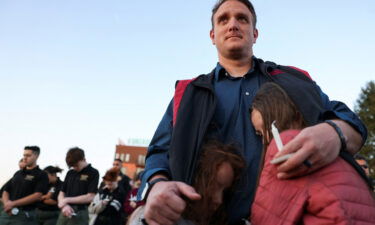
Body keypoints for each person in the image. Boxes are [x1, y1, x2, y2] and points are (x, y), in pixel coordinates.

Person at [139, 0, 367, 224]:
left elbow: (348, 120)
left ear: (255, 34)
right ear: (212, 36)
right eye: (223, 19)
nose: (233, 25)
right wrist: (157, 184)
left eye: (242, 18)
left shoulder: (294, 79)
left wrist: (334, 133)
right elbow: (159, 152)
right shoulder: (188, 92)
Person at [249, 82, 375, 224]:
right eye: (259, 134)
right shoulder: (338, 153)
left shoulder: (285, 147)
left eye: (269, 127)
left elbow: (267, 218)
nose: (266, 138)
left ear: (295, 117)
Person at [129, 141, 246, 225]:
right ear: (198, 179)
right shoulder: (158, 214)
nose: (219, 200)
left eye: (224, 191)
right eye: (215, 186)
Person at [0, 146, 49, 225]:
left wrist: (13, 204)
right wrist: (7, 204)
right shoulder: (18, 173)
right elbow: (6, 190)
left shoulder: (41, 174)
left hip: (24, 216)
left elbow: (37, 195)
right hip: (7, 213)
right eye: (24, 155)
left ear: (36, 156)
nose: (25, 158)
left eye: (28, 155)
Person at [56, 147, 99, 225]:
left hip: (80, 212)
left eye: (76, 165)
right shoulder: (70, 173)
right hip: (65, 210)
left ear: (83, 159)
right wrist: (64, 205)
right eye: (72, 166)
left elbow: (90, 196)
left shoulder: (93, 172)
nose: (75, 168)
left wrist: (66, 200)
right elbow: (62, 192)